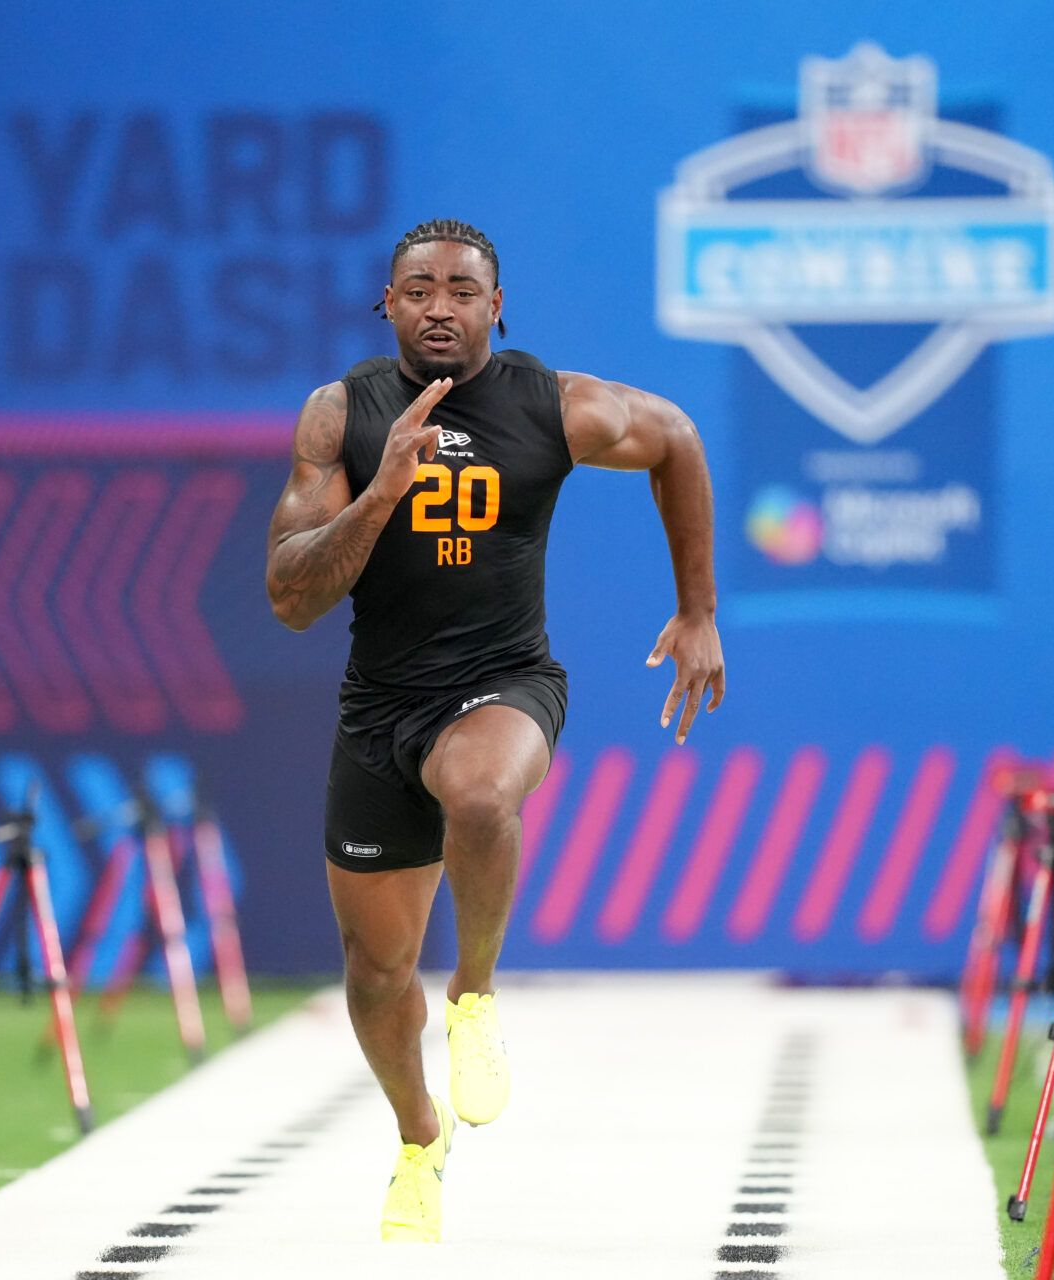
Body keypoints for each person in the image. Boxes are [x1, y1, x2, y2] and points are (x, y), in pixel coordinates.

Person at [265, 219, 724, 1243]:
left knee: (480, 792)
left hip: (504, 681)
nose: (440, 305)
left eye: (462, 290)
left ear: (496, 307)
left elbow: (679, 439)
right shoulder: (341, 412)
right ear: (386, 304)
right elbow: (290, 595)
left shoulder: (553, 403)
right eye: (418, 288)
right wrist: (381, 489)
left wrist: (697, 609)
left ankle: (474, 993)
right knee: (377, 974)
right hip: (378, 707)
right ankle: (420, 1136)